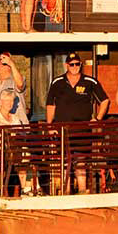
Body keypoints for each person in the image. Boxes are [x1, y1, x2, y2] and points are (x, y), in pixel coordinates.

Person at [45, 54, 110, 193]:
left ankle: (82, 190)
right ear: (66, 65)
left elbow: (105, 101)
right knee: (63, 162)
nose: (74, 67)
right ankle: (65, 192)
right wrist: (50, 125)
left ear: (80, 64)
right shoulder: (57, 82)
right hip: (62, 129)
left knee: (80, 161)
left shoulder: (90, 81)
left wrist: (97, 119)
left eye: (77, 64)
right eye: (71, 64)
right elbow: (50, 104)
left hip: (82, 129)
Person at [0, 55, 36, 196]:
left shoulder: (15, 79)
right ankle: (0, 189)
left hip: (16, 129)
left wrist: (11, 63)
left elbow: (21, 85)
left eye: (3, 64)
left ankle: (25, 189)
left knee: (21, 159)